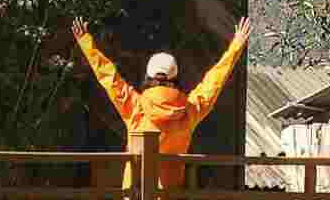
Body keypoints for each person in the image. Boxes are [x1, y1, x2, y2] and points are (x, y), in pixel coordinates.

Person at [73, 17, 249, 179]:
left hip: (135, 192)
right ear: (176, 77)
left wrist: (86, 43)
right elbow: (214, 81)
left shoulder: (134, 106)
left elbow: (108, 76)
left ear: (148, 77)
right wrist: (236, 45)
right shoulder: (189, 110)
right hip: (169, 195)